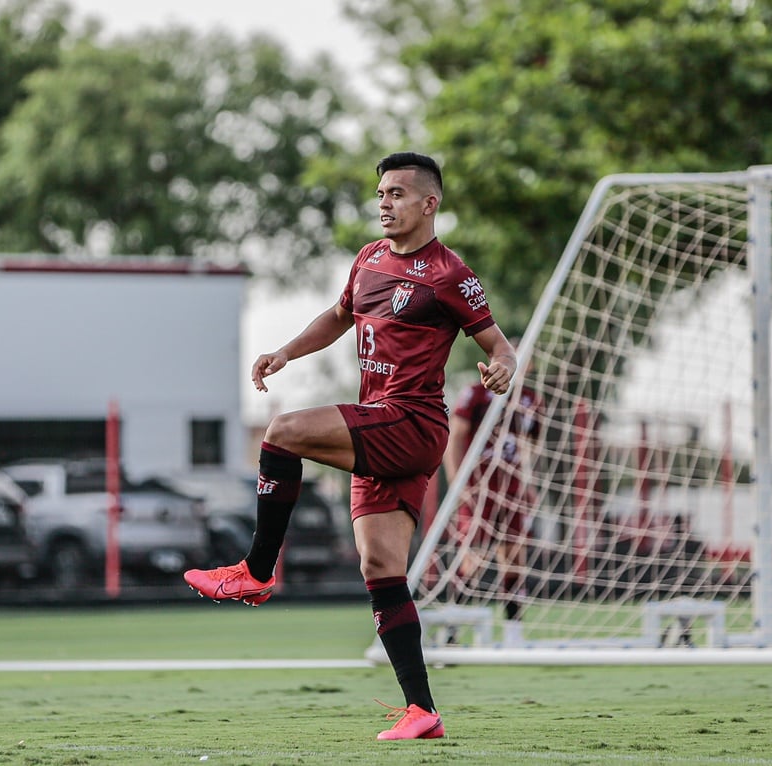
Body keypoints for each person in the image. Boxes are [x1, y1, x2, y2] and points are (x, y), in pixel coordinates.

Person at [184, 152, 517, 741]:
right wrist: (286, 351)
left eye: (396, 194)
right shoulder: (368, 258)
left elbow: (499, 344)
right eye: (381, 194)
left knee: (283, 431)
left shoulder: (448, 273)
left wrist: (502, 366)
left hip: (410, 423)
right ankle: (422, 711)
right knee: (381, 567)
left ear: (428, 203)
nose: (384, 203)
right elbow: (339, 316)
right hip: (376, 423)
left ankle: (256, 571)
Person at [443, 344, 541, 646]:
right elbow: (455, 436)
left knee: (515, 557)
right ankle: (452, 626)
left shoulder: (530, 399)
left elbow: (531, 443)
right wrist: (458, 482)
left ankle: (513, 630)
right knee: (474, 555)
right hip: (479, 485)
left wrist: (529, 480)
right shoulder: (475, 393)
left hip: (511, 488)